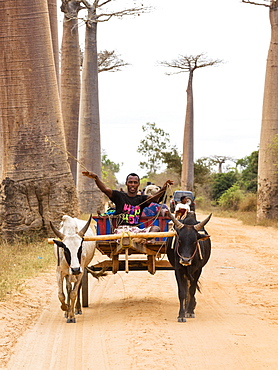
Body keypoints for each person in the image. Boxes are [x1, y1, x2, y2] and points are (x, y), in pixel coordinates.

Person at [82, 171, 173, 230]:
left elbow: (154, 198)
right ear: (126, 183)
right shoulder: (119, 196)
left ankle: (146, 241)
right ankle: (139, 240)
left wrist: (164, 188)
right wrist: (96, 178)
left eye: (135, 182)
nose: (132, 185)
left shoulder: (142, 199)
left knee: (156, 229)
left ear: (138, 184)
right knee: (124, 237)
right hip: (121, 230)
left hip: (136, 230)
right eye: (130, 182)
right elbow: (105, 189)